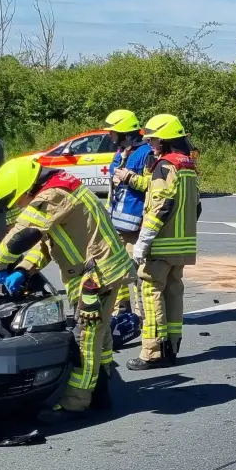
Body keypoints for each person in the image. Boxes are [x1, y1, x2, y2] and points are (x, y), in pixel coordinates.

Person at [0, 154, 131, 422]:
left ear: (26, 188)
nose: (19, 205)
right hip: (102, 270)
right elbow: (46, 241)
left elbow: (24, 233)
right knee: (100, 333)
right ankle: (102, 391)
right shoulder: (61, 185)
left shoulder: (52, 196)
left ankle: (75, 404)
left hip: (96, 276)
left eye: (18, 199)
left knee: (84, 340)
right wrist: (23, 269)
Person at [126, 113, 199, 370]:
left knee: (150, 293)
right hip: (182, 246)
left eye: (155, 140)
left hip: (161, 245)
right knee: (173, 292)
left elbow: (160, 206)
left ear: (165, 140)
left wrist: (144, 240)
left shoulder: (165, 166)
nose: (151, 145)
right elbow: (195, 207)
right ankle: (172, 346)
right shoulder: (187, 164)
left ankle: (153, 352)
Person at [103, 109, 151, 330]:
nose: (110, 136)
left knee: (140, 274)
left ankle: (144, 316)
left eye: (113, 132)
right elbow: (114, 175)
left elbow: (151, 186)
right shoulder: (120, 152)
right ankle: (121, 311)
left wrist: (129, 177)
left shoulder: (145, 153)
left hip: (135, 224)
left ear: (124, 132)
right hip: (116, 223)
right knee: (117, 270)